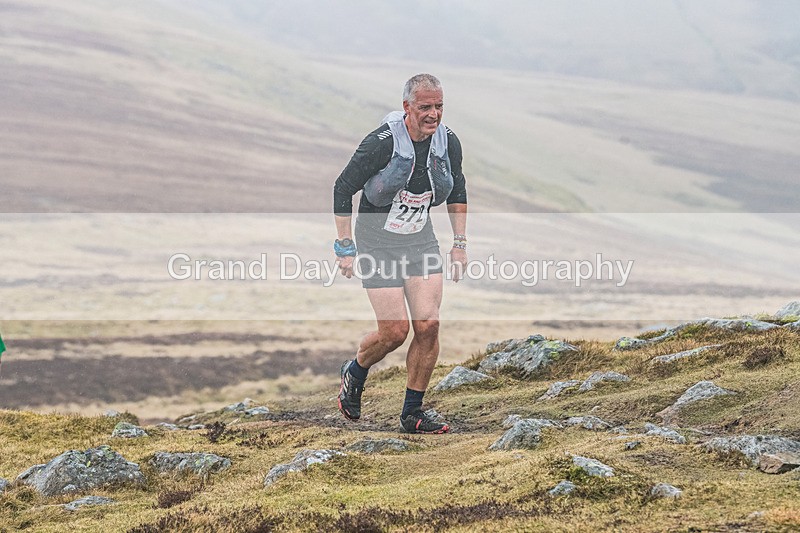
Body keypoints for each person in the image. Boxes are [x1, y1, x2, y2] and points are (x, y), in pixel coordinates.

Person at [332, 73, 468, 434]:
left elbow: (457, 190)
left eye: (439, 106)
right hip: (377, 244)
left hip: (418, 241)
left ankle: (413, 413)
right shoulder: (380, 144)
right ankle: (356, 369)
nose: (433, 114)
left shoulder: (448, 142)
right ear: (407, 107)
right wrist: (345, 246)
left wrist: (459, 244)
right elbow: (343, 188)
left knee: (429, 325)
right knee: (394, 332)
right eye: (425, 107)